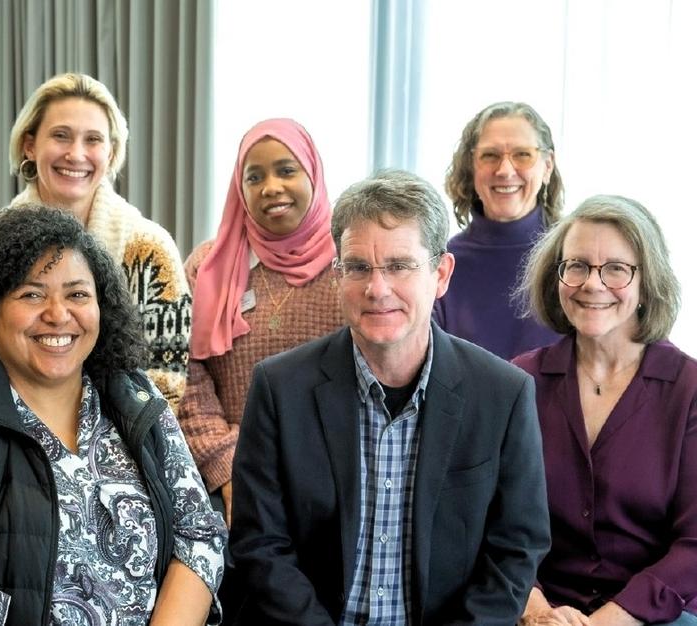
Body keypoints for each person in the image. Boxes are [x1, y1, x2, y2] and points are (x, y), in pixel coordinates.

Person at [0, 206, 224, 624]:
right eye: (32, 294)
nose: (58, 314)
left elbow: (199, 534)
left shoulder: (133, 397)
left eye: (77, 294)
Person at [232, 169, 550, 624]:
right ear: (338, 274)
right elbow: (260, 544)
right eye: (358, 267)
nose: (377, 289)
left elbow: (516, 549)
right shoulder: (280, 388)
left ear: (440, 274)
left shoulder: (504, 394)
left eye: (400, 266)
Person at [180, 118, 343, 620]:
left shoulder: (351, 266)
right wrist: (230, 468)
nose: (271, 187)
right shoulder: (207, 266)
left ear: (312, 174)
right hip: (233, 489)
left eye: (286, 170)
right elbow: (185, 380)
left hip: (331, 488)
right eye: (254, 176)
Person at [513, 195, 695, 626]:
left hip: (653, 616)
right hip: (536, 610)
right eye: (576, 265)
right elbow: (492, 524)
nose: (592, 284)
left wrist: (604, 623)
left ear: (646, 281)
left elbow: (694, 544)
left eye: (616, 268)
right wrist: (537, 611)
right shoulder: (521, 380)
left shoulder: (688, 389)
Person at [8, 72, 191, 411]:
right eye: (61, 136)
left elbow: (166, 386)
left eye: (93, 140)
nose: (76, 154)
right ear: (29, 145)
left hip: (124, 448)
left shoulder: (150, 250)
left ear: (110, 153)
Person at [435, 101, 565, 359]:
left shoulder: (576, 260)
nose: (505, 171)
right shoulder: (442, 266)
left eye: (522, 154)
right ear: (471, 166)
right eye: (490, 155)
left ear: (547, 166)